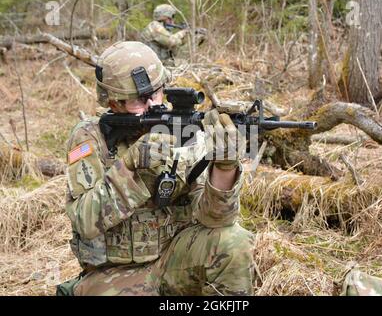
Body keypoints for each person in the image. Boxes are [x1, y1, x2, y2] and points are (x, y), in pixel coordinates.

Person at [57, 41, 254, 296]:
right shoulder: (90, 138)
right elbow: (84, 220)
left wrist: (225, 165)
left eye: (157, 92)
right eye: (139, 99)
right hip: (113, 274)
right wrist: (131, 168)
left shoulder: (183, 131)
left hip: (175, 260)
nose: (152, 104)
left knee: (234, 242)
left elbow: (216, 219)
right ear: (114, 102)